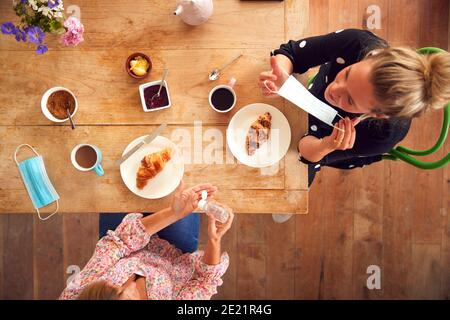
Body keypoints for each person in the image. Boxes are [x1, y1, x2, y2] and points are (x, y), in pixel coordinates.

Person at [259, 29, 450, 189]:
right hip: (307, 95)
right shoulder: (356, 43)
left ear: (377, 114)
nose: (334, 89)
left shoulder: (382, 136)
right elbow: (293, 52)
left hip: (326, 145)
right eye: (347, 74)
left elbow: (306, 155)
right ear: (371, 57)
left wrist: (327, 145)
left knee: (290, 187)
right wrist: (280, 76)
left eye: (350, 100)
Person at [59, 181, 234, 300]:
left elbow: (118, 241)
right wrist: (214, 239)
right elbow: (204, 281)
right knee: (184, 186)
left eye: (113, 288)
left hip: (124, 239)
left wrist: (174, 213)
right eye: (123, 293)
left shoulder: (79, 294)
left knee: (120, 182)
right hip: (172, 255)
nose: (120, 283)